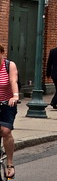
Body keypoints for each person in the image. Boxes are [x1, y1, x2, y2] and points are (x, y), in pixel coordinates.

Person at [0, 43, 19, 179]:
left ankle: (10, 164)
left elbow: (13, 81)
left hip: (7, 103)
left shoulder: (9, 65)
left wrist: (15, 96)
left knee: (5, 131)